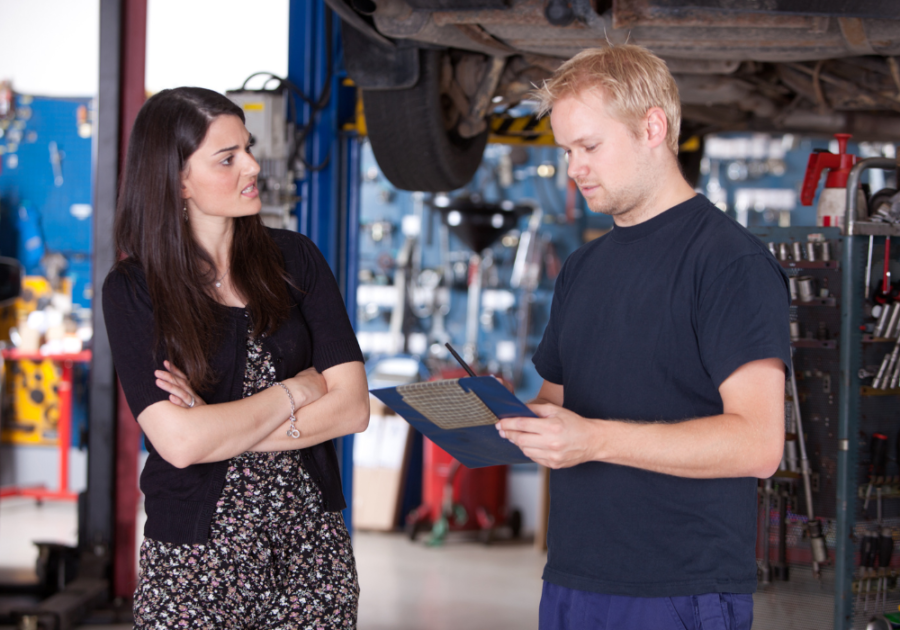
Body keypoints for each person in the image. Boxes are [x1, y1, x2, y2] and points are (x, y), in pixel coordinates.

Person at [495, 45, 790, 630]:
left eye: (590, 146)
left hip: (680, 590)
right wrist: (500, 419)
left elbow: (759, 445)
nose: (574, 168)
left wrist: (593, 440)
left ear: (652, 126)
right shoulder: (581, 268)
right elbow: (556, 404)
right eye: (566, 151)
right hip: (574, 580)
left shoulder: (730, 263)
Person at [102, 87, 369, 629]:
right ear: (177, 180)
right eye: (228, 158)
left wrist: (216, 428)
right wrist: (295, 390)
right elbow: (180, 443)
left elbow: (352, 410)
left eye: (247, 148)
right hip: (193, 564)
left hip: (310, 554)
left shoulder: (296, 259)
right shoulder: (134, 289)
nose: (253, 165)